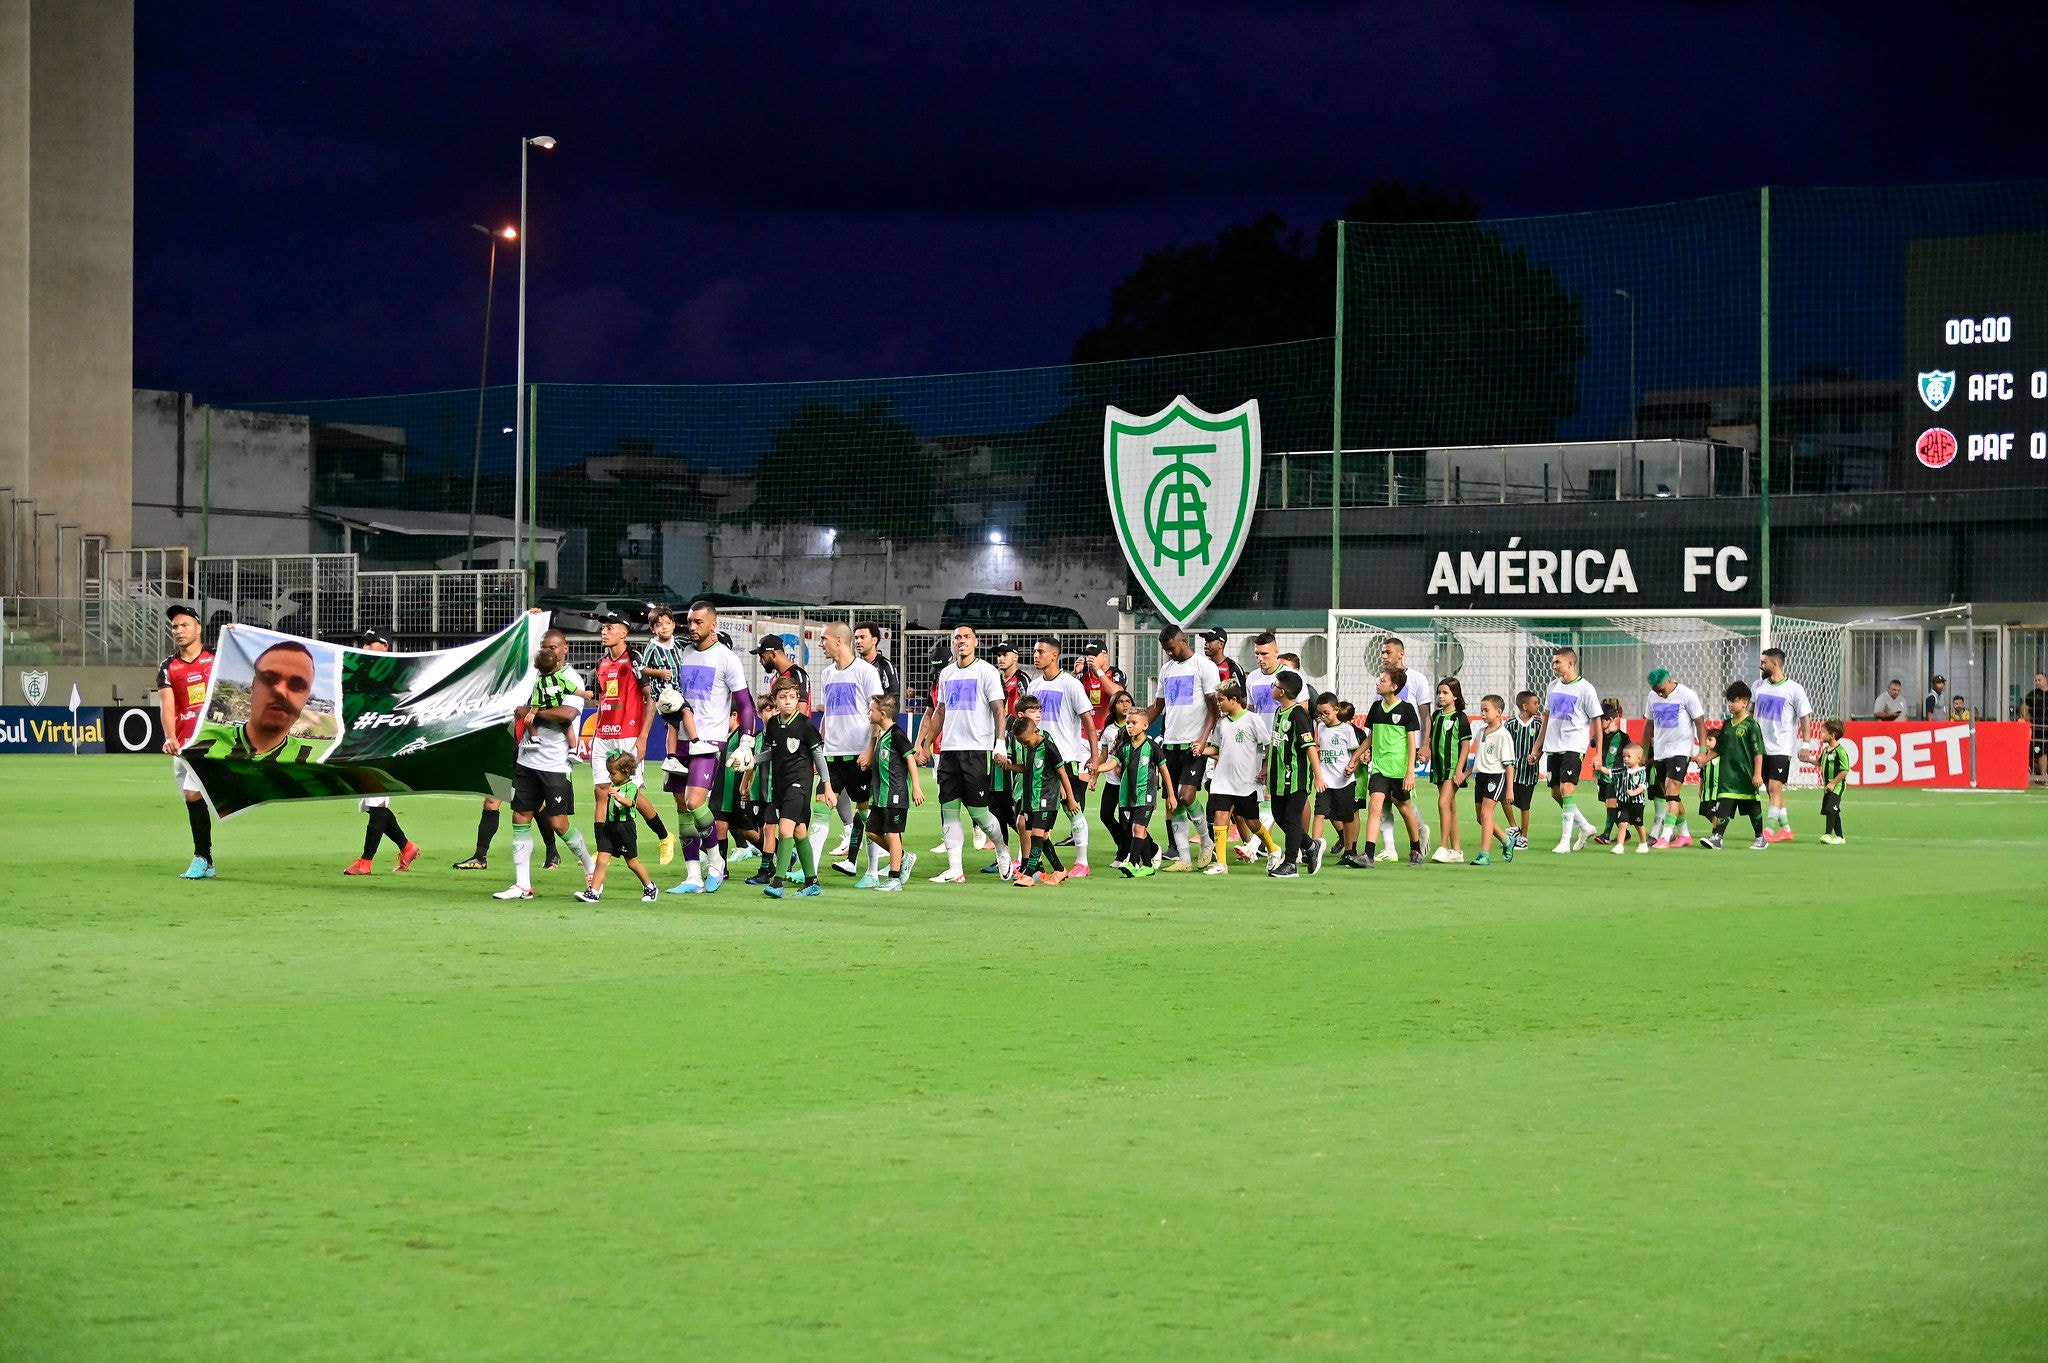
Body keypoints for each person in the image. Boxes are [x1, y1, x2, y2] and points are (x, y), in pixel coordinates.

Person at [493, 632, 598, 899]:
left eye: (552, 647)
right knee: (520, 817)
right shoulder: (536, 675)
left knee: (558, 823)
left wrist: (531, 712)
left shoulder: (571, 678)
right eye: (543, 647)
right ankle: (522, 885)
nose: (548, 651)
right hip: (527, 758)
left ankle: (591, 868)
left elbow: (568, 713)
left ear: (565, 649)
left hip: (555, 762)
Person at [667, 601, 757, 895]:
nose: (692, 628)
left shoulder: (727, 658)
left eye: (698, 623)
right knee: (682, 808)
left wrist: (746, 742)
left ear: (713, 625)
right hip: (680, 739)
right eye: (690, 622)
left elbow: (745, 705)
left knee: (695, 803)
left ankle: (716, 862)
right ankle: (693, 875)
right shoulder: (684, 653)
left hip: (709, 741)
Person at [917, 624, 1011, 882]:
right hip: (949, 751)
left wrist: (999, 742)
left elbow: (998, 709)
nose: (961, 641)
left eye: (966, 637)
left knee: (979, 812)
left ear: (975, 642)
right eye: (957, 637)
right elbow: (940, 712)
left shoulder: (987, 671)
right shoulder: (946, 674)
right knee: (948, 809)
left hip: (976, 750)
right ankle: (955, 869)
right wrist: (926, 744)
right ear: (952, 643)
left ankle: (1002, 849)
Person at [590, 613, 675, 866]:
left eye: (610, 627)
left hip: (628, 735)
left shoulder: (635, 659)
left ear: (624, 633)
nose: (604, 632)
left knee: (632, 792)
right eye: (603, 628)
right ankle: (602, 849)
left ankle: (664, 835)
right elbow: (601, 699)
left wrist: (644, 735)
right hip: (603, 736)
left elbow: (650, 698)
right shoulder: (601, 663)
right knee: (600, 792)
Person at [1142, 623, 1222, 870]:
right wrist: (1136, 724)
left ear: (1183, 641)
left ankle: (1207, 841)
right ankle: (1185, 859)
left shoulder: (1204, 666)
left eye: (1171, 648)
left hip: (1193, 744)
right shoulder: (1166, 670)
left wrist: (1203, 738)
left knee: (1187, 796)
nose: (1169, 653)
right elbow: (1158, 706)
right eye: (1165, 649)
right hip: (1170, 743)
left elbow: (1214, 708)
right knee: (1174, 801)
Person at [345, 632, 420, 876]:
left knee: (376, 804)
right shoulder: (359, 677)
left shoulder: (394, 678)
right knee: (372, 805)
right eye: (368, 646)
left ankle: (366, 862)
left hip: (385, 747)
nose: (370, 650)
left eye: (376, 647)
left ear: (386, 649)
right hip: (362, 747)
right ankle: (407, 847)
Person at [814, 622, 885, 875]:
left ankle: (867, 868)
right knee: (821, 806)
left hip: (858, 754)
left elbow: (878, 714)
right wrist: (818, 749)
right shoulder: (826, 674)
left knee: (864, 810)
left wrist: (869, 749)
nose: (820, 644)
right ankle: (809, 869)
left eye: (823, 639)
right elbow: (827, 715)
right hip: (831, 754)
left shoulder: (866, 672)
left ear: (838, 641)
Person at [157, 603, 218, 879]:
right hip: (182, 744)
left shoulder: (217, 658)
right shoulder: (169, 667)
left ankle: (200, 856)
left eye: (184, 625)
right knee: (191, 799)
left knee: (194, 794)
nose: (179, 631)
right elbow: (167, 705)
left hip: (208, 741)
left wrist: (237, 634)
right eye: (174, 627)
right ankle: (208, 860)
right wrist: (170, 737)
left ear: (198, 628)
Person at [757, 676, 833, 898]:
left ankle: (778, 882)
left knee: (785, 829)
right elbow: (773, 752)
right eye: (783, 697)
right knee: (800, 831)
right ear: (775, 700)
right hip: (780, 785)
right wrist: (753, 760)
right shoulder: (772, 725)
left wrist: (826, 785)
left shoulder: (805, 725)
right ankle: (812, 882)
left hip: (799, 783)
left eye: (791, 697)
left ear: (797, 698)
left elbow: (818, 756)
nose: (787, 701)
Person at [186, 638, 322, 762]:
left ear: (306, 698)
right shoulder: (202, 743)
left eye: (296, 685)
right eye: (269, 679)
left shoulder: (314, 760)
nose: (280, 691)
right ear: (253, 685)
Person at [1028, 637, 1097, 876]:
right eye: (1035, 651)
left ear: (1054, 655)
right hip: (1039, 759)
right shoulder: (1034, 686)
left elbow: (1088, 720)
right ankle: (1031, 862)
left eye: (1041, 652)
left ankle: (1082, 862)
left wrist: (1094, 756)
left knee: (1072, 808)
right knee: (1033, 811)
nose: (1036, 655)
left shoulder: (1070, 684)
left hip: (1066, 757)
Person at [1532, 646, 1602, 854]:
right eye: (1554, 662)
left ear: (1570, 664)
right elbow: (1547, 718)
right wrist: (1538, 747)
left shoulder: (1585, 689)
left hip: (1574, 745)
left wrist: (1598, 752)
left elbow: (1596, 720)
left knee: (1566, 788)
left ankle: (1564, 841)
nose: (1554, 666)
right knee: (1556, 792)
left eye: (1557, 662)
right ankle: (1585, 827)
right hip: (1553, 745)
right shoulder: (1552, 686)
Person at [1374, 637, 1436, 861]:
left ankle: (1419, 830)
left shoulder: (1417, 679)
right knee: (1381, 800)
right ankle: (1389, 848)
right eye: (1383, 652)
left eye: (1388, 652)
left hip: (1406, 748)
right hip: (1384, 749)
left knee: (1401, 800)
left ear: (1401, 653)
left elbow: (1425, 715)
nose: (1384, 656)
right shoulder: (1381, 680)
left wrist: (1425, 744)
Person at [1201, 682, 1271, 877]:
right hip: (1223, 780)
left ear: (1233, 700)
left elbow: (1268, 746)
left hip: (1246, 782)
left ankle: (1273, 849)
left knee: (1252, 823)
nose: (1219, 704)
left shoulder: (1252, 720)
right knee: (1220, 817)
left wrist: (1264, 769)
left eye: (1221, 700)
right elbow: (1216, 748)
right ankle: (1221, 864)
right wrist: (1201, 750)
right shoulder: (1221, 723)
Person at [1359, 666, 1424, 868]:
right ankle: (1368, 854)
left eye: (1383, 680)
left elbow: (1411, 743)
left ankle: (1416, 849)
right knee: (1375, 807)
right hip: (1379, 768)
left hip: (1399, 769)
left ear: (1394, 687)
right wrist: (1357, 755)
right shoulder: (1376, 708)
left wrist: (1410, 773)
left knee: (1405, 809)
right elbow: (1371, 737)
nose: (1378, 683)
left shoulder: (1406, 709)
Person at [574, 751, 661, 904]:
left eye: (612, 773)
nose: (610, 777)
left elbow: (630, 803)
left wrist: (618, 797)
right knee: (601, 859)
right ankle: (593, 891)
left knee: (632, 862)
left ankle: (650, 886)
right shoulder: (614, 786)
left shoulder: (631, 787)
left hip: (625, 828)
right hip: (610, 828)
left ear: (625, 772)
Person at [855, 692, 922, 890]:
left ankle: (894, 879)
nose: (868, 713)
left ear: (882, 714)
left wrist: (916, 787)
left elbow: (910, 759)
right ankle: (904, 857)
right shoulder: (881, 734)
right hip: (879, 795)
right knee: (872, 832)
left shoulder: (897, 734)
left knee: (892, 835)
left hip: (895, 794)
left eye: (871, 710)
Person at [998, 712, 1072, 886]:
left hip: (1047, 799)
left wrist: (1071, 798)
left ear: (1036, 731)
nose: (1024, 745)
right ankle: (1060, 870)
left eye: (1025, 741)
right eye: (1021, 743)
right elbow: (1026, 769)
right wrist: (1009, 766)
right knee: (1043, 837)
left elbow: (1062, 773)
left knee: (1037, 834)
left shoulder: (1048, 747)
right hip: (1031, 800)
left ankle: (1030, 873)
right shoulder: (1029, 749)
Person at [1262, 671, 1321, 877]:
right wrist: (1265, 768)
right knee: (1279, 817)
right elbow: (1275, 744)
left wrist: (1318, 775)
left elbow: (1310, 746)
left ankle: (1290, 864)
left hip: (1296, 777)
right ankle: (1311, 846)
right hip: (1277, 777)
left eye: (1274, 685)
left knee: (1292, 817)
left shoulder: (1298, 715)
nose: (1272, 688)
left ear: (1283, 691)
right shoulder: (1279, 712)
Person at [1754, 647, 1815, 842]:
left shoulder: (1794, 689)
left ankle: (1769, 830)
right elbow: (1750, 712)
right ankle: (1786, 829)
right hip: (1760, 747)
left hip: (1781, 747)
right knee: (1773, 790)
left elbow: (1805, 717)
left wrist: (1805, 745)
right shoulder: (1758, 686)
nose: (1760, 665)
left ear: (1775, 664)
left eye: (1764, 662)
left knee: (1774, 787)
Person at [1642, 667, 1707, 848]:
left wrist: (1701, 750)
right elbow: (1649, 724)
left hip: (1681, 751)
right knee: (1671, 795)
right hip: (1661, 752)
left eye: (1662, 689)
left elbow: (1700, 724)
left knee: (1672, 790)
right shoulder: (1652, 696)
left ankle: (1666, 835)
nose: (1660, 693)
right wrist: (1644, 751)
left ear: (1670, 681)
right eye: (1656, 691)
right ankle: (1684, 833)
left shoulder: (1687, 695)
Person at [1702, 681, 1767, 851]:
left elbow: (1758, 752)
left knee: (1753, 806)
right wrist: (1704, 759)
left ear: (1745, 703)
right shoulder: (1726, 724)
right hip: (1728, 775)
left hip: (1746, 775)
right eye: (1729, 701)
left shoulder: (1751, 725)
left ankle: (1761, 837)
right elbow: (1720, 748)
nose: (1730, 704)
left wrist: (1757, 774)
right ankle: (1718, 837)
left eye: (1734, 700)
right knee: (1724, 804)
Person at [1105, 710, 1163, 877]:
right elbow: (1112, 764)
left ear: (1145, 725)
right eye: (1128, 723)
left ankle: (1132, 863)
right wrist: (1096, 769)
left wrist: (1170, 795)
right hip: (1128, 796)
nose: (1129, 726)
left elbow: (1164, 770)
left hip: (1146, 795)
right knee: (1135, 829)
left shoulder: (1152, 747)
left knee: (1138, 828)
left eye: (1134, 723)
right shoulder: (1125, 748)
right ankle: (1148, 866)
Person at [1310, 691, 1361, 868]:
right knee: (1319, 814)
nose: (1323, 717)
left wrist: (1352, 766)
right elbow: (1317, 748)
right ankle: (1313, 848)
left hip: (1344, 781)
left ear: (1336, 710)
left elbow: (1355, 753)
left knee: (1347, 818)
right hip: (1325, 781)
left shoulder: (1347, 730)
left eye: (1326, 713)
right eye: (1320, 713)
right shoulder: (1320, 728)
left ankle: (1349, 852)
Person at [1428, 678, 1474, 863]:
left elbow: (1465, 746)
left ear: (1455, 695)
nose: (1441, 696)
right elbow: (1433, 740)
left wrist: (1459, 770)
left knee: (1442, 803)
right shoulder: (1436, 716)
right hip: (1438, 767)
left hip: (1452, 769)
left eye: (1445, 692)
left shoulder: (1460, 718)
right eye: (1439, 692)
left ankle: (1443, 846)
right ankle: (1457, 851)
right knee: (1450, 807)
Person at [1468, 695, 1516, 866]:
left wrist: (1509, 789)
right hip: (1480, 777)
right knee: (1480, 818)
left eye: (1486, 710)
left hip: (1495, 776)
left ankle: (1484, 854)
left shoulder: (1503, 735)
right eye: (1481, 710)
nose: (1482, 714)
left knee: (1486, 814)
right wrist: (1466, 773)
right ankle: (1506, 840)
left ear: (1498, 712)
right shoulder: (1481, 732)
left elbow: (1509, 765)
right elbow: (1478, 759)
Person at [1092, 691, 1138, 868]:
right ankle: (1124, 844)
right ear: (1113, 706)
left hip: (1128, 782)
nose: (1125, 705)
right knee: (1105, 815)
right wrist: (1094, 777)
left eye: (1128, 701)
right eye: (1120, 702)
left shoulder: (1134, 728)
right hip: (1112, 781)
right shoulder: (1108, 730)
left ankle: (1124, 854)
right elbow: (1103, 756)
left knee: (1127, 820)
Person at [1505, 690, 1542, 853]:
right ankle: (1514, 827)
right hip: (1512, 771)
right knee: (1505, 799)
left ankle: (1524, 837)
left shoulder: (1539, 725)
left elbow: (1542, 747)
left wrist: (1537, 756)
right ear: (1525, 706)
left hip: (1529, 773)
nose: (1538, 706)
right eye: (1535, 703)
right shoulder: (1511, 724)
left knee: (1525, 806)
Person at [1590, 699, 1628, 845]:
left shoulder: (1622, 738)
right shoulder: (1599, 736)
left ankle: (1606, 834)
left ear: (1611, 719)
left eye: (1602, 720)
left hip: (1616, 776)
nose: (1598, 723)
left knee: (1611, 803)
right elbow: (1593, 743)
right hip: (1602, 775)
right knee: (1607, 803)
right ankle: (1626, 832)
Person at [1609, 743, 1651, 854]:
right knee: (1622, 824)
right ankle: (1619, 845)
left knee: (1638, 824)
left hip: (1637, 804)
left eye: (1628, 756)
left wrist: (1634, 793)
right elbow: (1610, 772)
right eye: (1624, 756)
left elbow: (1642, 786)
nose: (1625, 759)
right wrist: (1600, 768)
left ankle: (1643, 843)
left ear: (1638, 758)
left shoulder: (1642, 772)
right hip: (1624, 802)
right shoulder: (1622, 770)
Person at [753, 635, 810, 715]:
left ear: (773, 655)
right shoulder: (775, 679)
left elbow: (802, 713)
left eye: (762, 656)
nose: (760, 660)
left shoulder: (798, 675)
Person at [1818, 719, 1850, 845]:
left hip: (1837, 787)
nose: (1821, 735)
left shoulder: (1840, 751)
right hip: (1828, 787)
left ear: (1832, 735)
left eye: (1823, 732)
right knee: (1832, 810)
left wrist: (1833, 783)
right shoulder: (1826, 750)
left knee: (1831, 809)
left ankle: (1827, 834)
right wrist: (1807, 760)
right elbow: (1819, 762)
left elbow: (1845, 770)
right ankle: (1840, 837)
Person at [853, 621, 899, 703]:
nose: (858, 641)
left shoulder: (885, 666)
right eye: (856, 638)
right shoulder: (854, 667)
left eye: (862, 637)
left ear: (874, 640)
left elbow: (894, 698)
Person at [2024, 672, 2048, 781]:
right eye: (2036, 680)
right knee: (2040, 751)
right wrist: (2028, 720)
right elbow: (2024, 707)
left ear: (2045, 680)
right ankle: (2042, 776)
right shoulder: (2033, 694)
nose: (2037, 682)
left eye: (2039, 680)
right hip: (2038, 727)